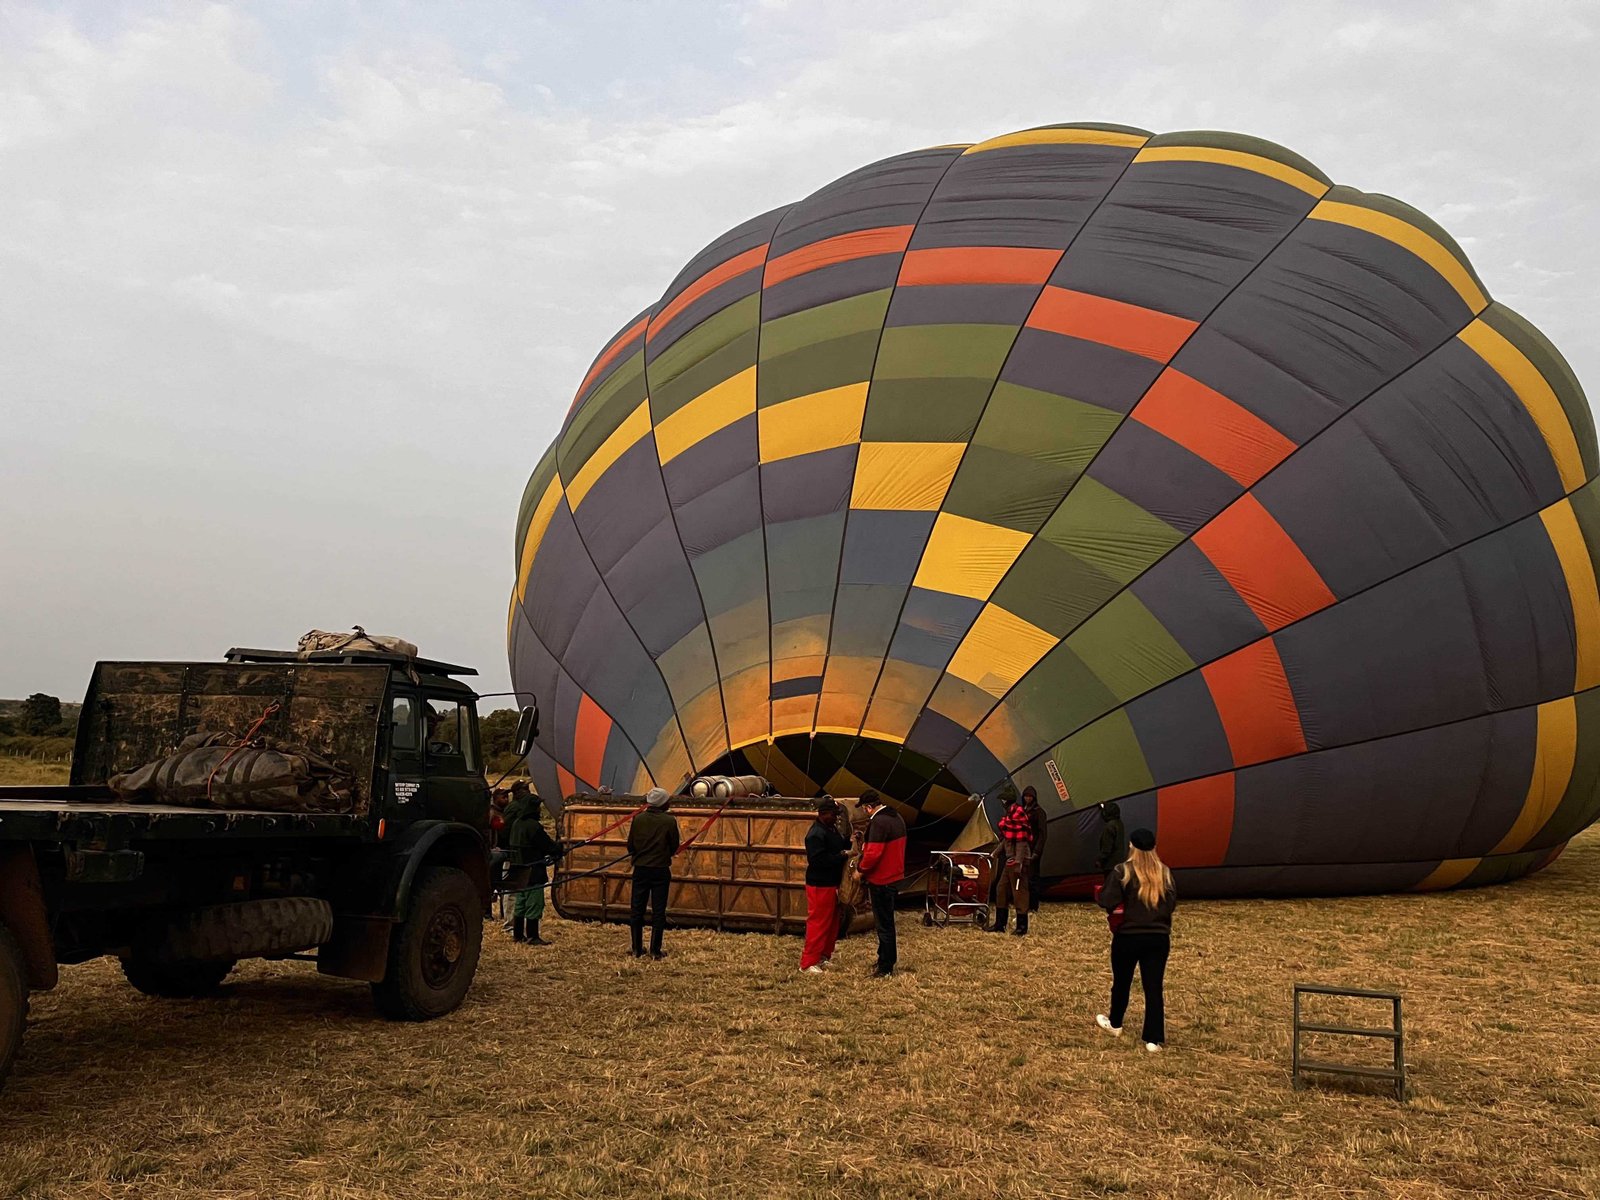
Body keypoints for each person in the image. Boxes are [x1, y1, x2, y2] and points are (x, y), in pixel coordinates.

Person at [1095, 827, 1178, 1051]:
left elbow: (1106, 899)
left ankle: (1116, 1023)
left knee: (1122, 982)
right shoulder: (1165, 873)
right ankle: (1153, 1039)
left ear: (1131, 846)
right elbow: (1171, 904)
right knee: (1153, 987)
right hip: (1158, 938)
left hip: (1128, 936)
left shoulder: (1123, 871)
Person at [851, 790, 906, 977]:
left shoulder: (879, 822)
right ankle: (884, 959)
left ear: (868, 807)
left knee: (884, 925)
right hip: (894, 876)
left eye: (865, 809)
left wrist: (860, 870)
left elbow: (874, 853)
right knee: (887, 922)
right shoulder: (896, 817)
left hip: (881, 879)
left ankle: (885, 967)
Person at [627, 787, 680, 960]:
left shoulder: (637, 819)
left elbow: (630, 846)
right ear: (663, 803)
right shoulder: (669, 821)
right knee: (658, 911)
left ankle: (636, 948)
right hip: (660, 870)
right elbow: (674, 846)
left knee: (637, 909)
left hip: (641, 869)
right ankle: (655, 951)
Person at [800, 796, 850, 974]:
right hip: (819, 884)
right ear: (823, 814)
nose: (836, 818)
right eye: (833, 815)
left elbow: (840, 844)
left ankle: (823, 956)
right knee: (818, 922)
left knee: (832, 923)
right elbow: (817, 860)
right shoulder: (815, 834)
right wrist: (841, 856)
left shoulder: (830, 829)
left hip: (832, 882)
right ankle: (807, 963)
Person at [504, 781, 559, 945]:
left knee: (520, 902)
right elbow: (546, 845)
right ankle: (533, 936)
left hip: (519, 870)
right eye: (537, 807)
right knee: (534, 903)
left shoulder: (517, 824)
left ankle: (518, 935)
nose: (539, 810)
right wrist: (559, 848)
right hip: (534, 870)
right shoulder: (533, 826)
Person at [990, 786, 1034, 935]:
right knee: (1001, 889)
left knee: (1019, 893)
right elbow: (1007, 839)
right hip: (1010, 859)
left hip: (1017, 861)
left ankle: (1022, 927)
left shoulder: (1018, 814)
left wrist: (1019, 862)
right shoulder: (1009, 816)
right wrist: (995, 853)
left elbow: (1021, 842)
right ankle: (999, 924)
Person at [1023, 785, 1047, 916]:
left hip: (1033, 849)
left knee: (1033, 878)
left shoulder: (1038, 812)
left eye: (1030, 796)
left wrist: (1037, 851)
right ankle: (1025, 903)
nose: (1027, 798)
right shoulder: (1024, 810)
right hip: (1024, 848)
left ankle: (1033, 905)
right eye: (1026, 796)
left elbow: (1043, 834)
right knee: (1024, 877)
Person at [1096, 801, 1126, 874]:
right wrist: (1103, 806)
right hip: (1119, 863)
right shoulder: (1119, 823)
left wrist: (1100, 860)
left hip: (1110, 864)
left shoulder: (1110, 826)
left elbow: (1106, 848)